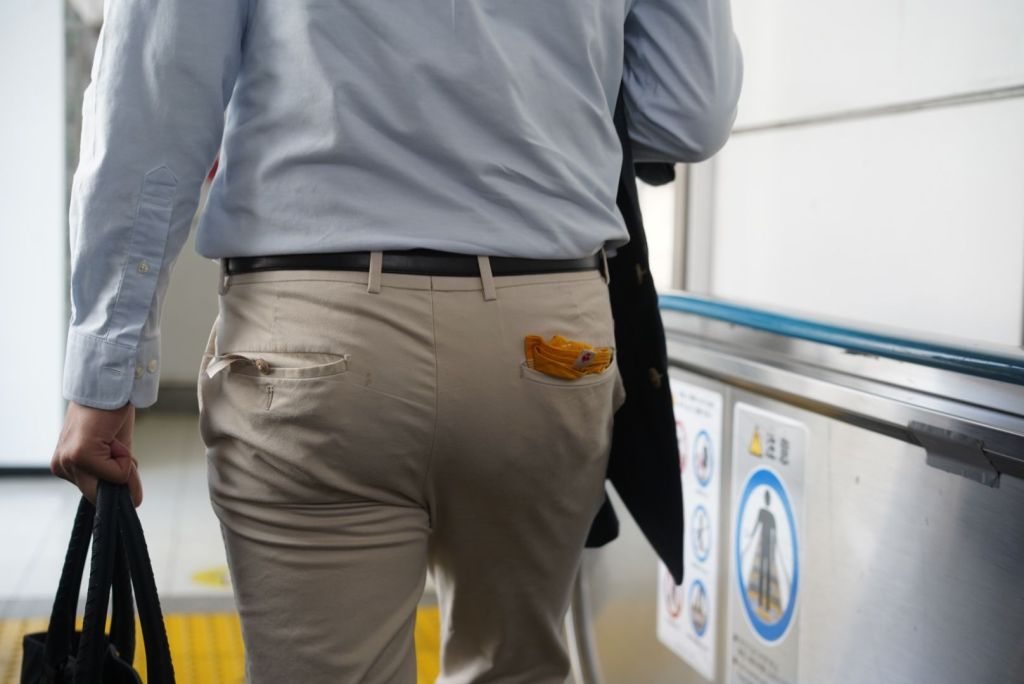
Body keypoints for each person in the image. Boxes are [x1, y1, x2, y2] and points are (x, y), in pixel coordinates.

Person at [51, 0, 743, 681]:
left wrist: (105, 373)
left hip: (315, 337)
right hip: (548, 336)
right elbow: (686, 112)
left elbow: (155, 93)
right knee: (515, 668)